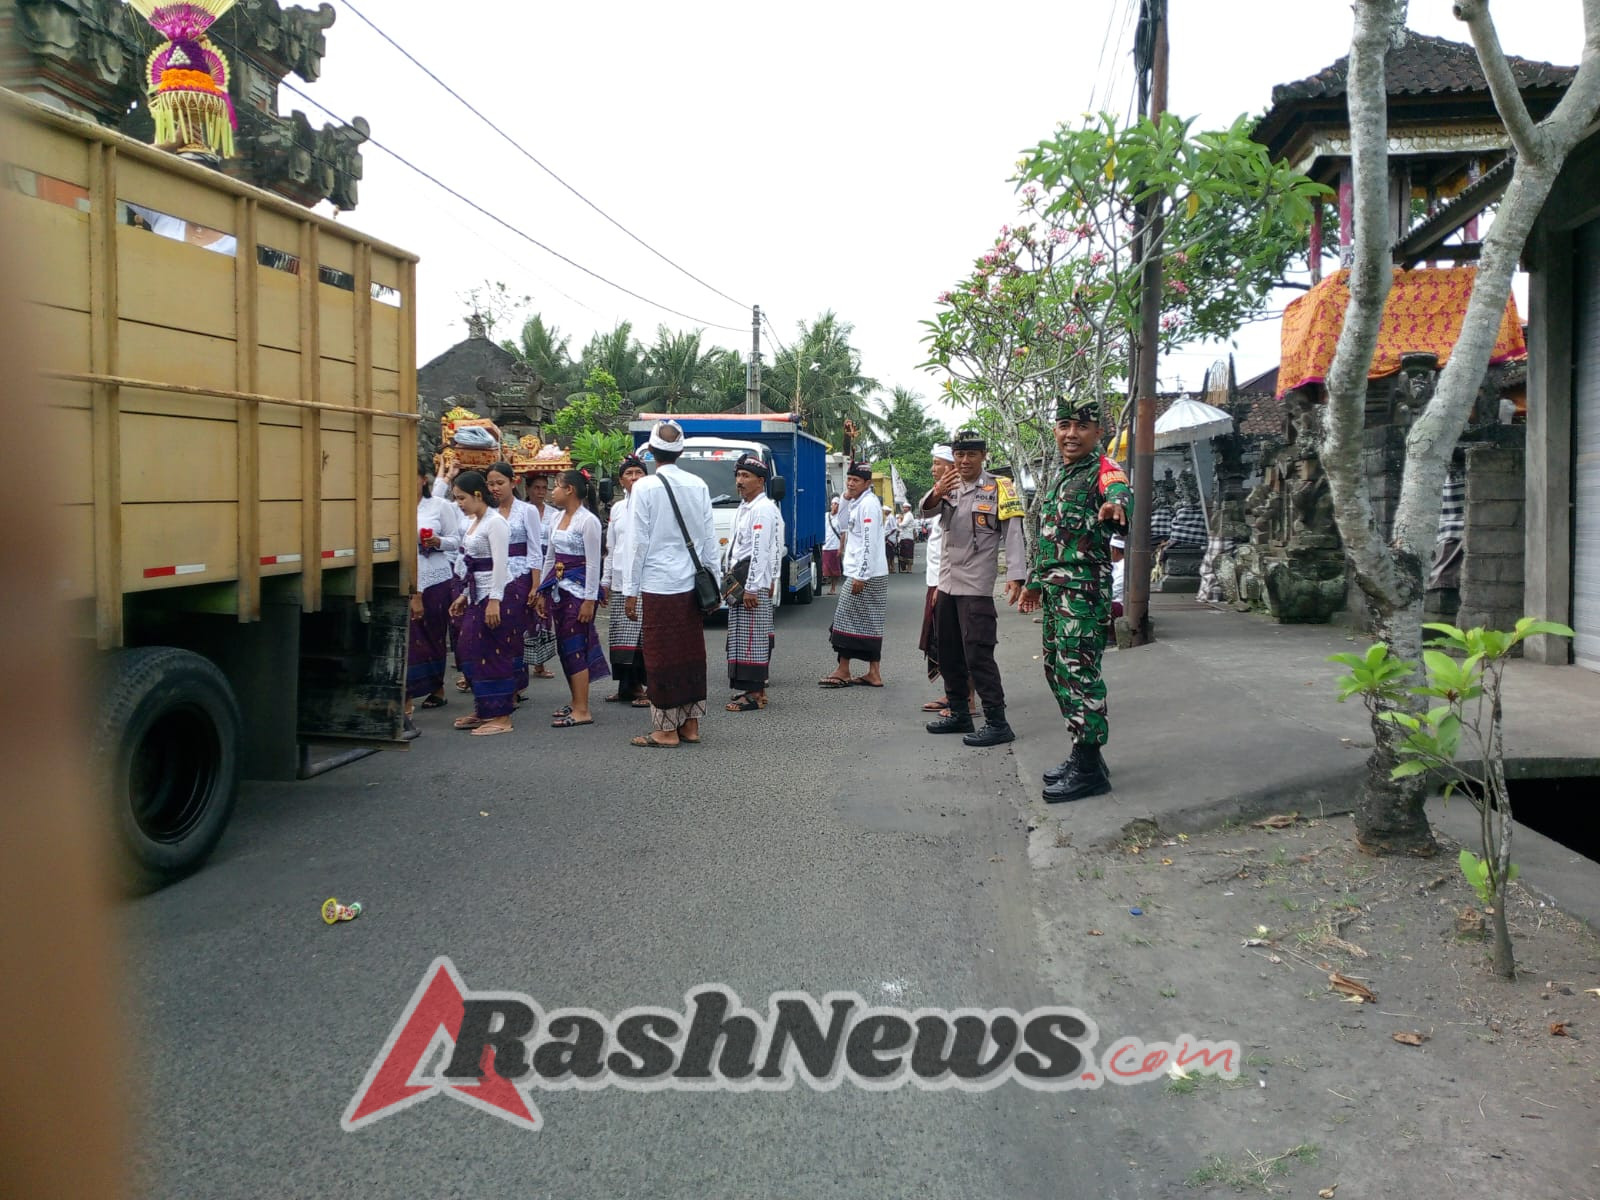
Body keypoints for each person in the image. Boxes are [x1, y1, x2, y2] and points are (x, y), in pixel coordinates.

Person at [1017, 397, 1131, 801]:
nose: (1071, 434)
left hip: (1081, 595)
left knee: (1079, 673)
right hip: (1056, 592)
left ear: (1098, 432)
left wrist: (1117, 505)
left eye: (1081, 427)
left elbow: (1118, 491)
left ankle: (1089, 767)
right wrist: (1033, 582)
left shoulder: (1103, 469)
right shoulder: (1063, 476)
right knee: (1057, 671)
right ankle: (1085, 754)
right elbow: (1053, 538)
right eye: (1064, 425)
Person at [922, 429, 1028, 747]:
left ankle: (997, 721)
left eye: (971, 454)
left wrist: (1016, 575)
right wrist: (938, 491)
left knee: (978, 653)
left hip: (976, 585)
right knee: (949, 652)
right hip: (947, 582)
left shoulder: (1000, 487)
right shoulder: (948, 485)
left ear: (983, 456)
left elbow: (1012, 533)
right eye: (959, 454)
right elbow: (924, 511)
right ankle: (959, 713)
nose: (964, 461)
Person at [625, 420, 720, 748]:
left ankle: (665, 730)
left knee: (660, 655)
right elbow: (709, 542)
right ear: (680, 451)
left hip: (658, 584)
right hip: (691, 585)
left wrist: (629, 590)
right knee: (691, 652)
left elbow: (637, 543)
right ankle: (690, 724)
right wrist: (715, 583)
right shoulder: (699, 485)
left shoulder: (644, 487)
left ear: (651, 452)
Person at [534, 469, 608, 728]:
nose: (552, 491)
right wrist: (542, 590)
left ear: (570, 490)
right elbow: (551, 558)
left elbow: (593, 564)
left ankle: (582, 708)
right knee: (566, 646)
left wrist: (590, 599)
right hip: (559, 588)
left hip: (578, 590)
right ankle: (576, 700)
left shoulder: (588, 521)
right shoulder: (556, 519)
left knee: (576, 645)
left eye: (556, 486)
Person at [448, 471, 517, 735]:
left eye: (462, 498)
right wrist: (464, 595)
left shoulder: (495, 523)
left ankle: (502, 716)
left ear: (477, 494)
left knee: (493, 652)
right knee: (470, 650)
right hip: (477, 595)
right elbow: (471, 563)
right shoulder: (474, 523)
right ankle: (484, 709)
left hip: (494, 594)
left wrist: (495, 601)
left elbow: (500, 564)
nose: (459, 504)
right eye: (456, 499)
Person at [819, 463, 889, 688]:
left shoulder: (869, 504)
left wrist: (862, 575)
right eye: (849, 479)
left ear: (867, 484)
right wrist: (846, 499)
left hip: (867, 573)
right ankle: (872, 673)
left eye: (856, 480)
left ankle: (844, 669)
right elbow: (841, 525)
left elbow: (870, 541)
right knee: (867, 622)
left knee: (845, 618)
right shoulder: (857, 502)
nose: (850, 483)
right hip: (862, 571)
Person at [407, 457, 462, 724]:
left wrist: (437, 540)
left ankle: (436, 687)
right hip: (405, 578)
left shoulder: (439, 506)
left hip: (436, 576)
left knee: (433, 634)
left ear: (424, 479)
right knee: (408, 637)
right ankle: (406, 694)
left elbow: (456, 541)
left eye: (412, 477)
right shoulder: (392, 507)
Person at [724, 454, 781, 712]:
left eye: (746, 476)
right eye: (738, 475)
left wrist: (752, 587)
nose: (740, 481)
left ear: (760, 481)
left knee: (752, 639)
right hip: (741, 579)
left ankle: (756, 694)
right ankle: (749, 690)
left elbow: (761, 550)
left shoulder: (763, 509)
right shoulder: (744, 507)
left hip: (751, 583)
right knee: (742, 637)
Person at [486, 461, 542, 704]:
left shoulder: (526, 511)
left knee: (514, 632)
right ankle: (496, 682)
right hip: (493, 576)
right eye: (491, 484)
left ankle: (515, 685)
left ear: (513, 482)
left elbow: (535, 548)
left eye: (500, 483)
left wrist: (535, 584)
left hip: (520, 578)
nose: (496, 488)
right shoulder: (488, 513)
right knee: (493, 632)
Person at [600, 453, 650, 707]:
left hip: (642, 582)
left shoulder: (651, 506)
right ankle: (627, 687)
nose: (633, 478)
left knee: (642, 636)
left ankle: (645, 687)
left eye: (638, 473)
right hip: (620, 579)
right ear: (621, 481)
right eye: (628, 474)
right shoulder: (618, 509)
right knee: (621, 635)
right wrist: (605, 582)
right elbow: (611, 547)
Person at [524, 471, 558, 679]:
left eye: (544, 488)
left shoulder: (553, 514)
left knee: (543, 612)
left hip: (546, 563)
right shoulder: (521, 510)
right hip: (525, 563)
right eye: (536, 487)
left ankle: (540, 662)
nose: (540, 492)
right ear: (527, 489)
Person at [821, 496, 843, 594]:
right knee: (825, 568)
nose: (835, 506)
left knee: (835, 570)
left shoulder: (840, 518)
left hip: (835, 546)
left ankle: (833, 588)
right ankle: (827, 582)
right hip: (825, 546)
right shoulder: (825, 516)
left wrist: (841, 548)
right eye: (833, 504)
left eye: (837, 504)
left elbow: (843, 534)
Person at [896, 503, 917, 574]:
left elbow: (903, 524)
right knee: (903, 553)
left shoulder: (909, 515)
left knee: (908, 553)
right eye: (903, 507)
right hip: (903, 536)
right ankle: (905, 568)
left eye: (906, 507)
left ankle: (909, 569)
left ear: (909, 508)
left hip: (908, 536)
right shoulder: (905, 515)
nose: (904, 509)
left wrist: (899, 522)